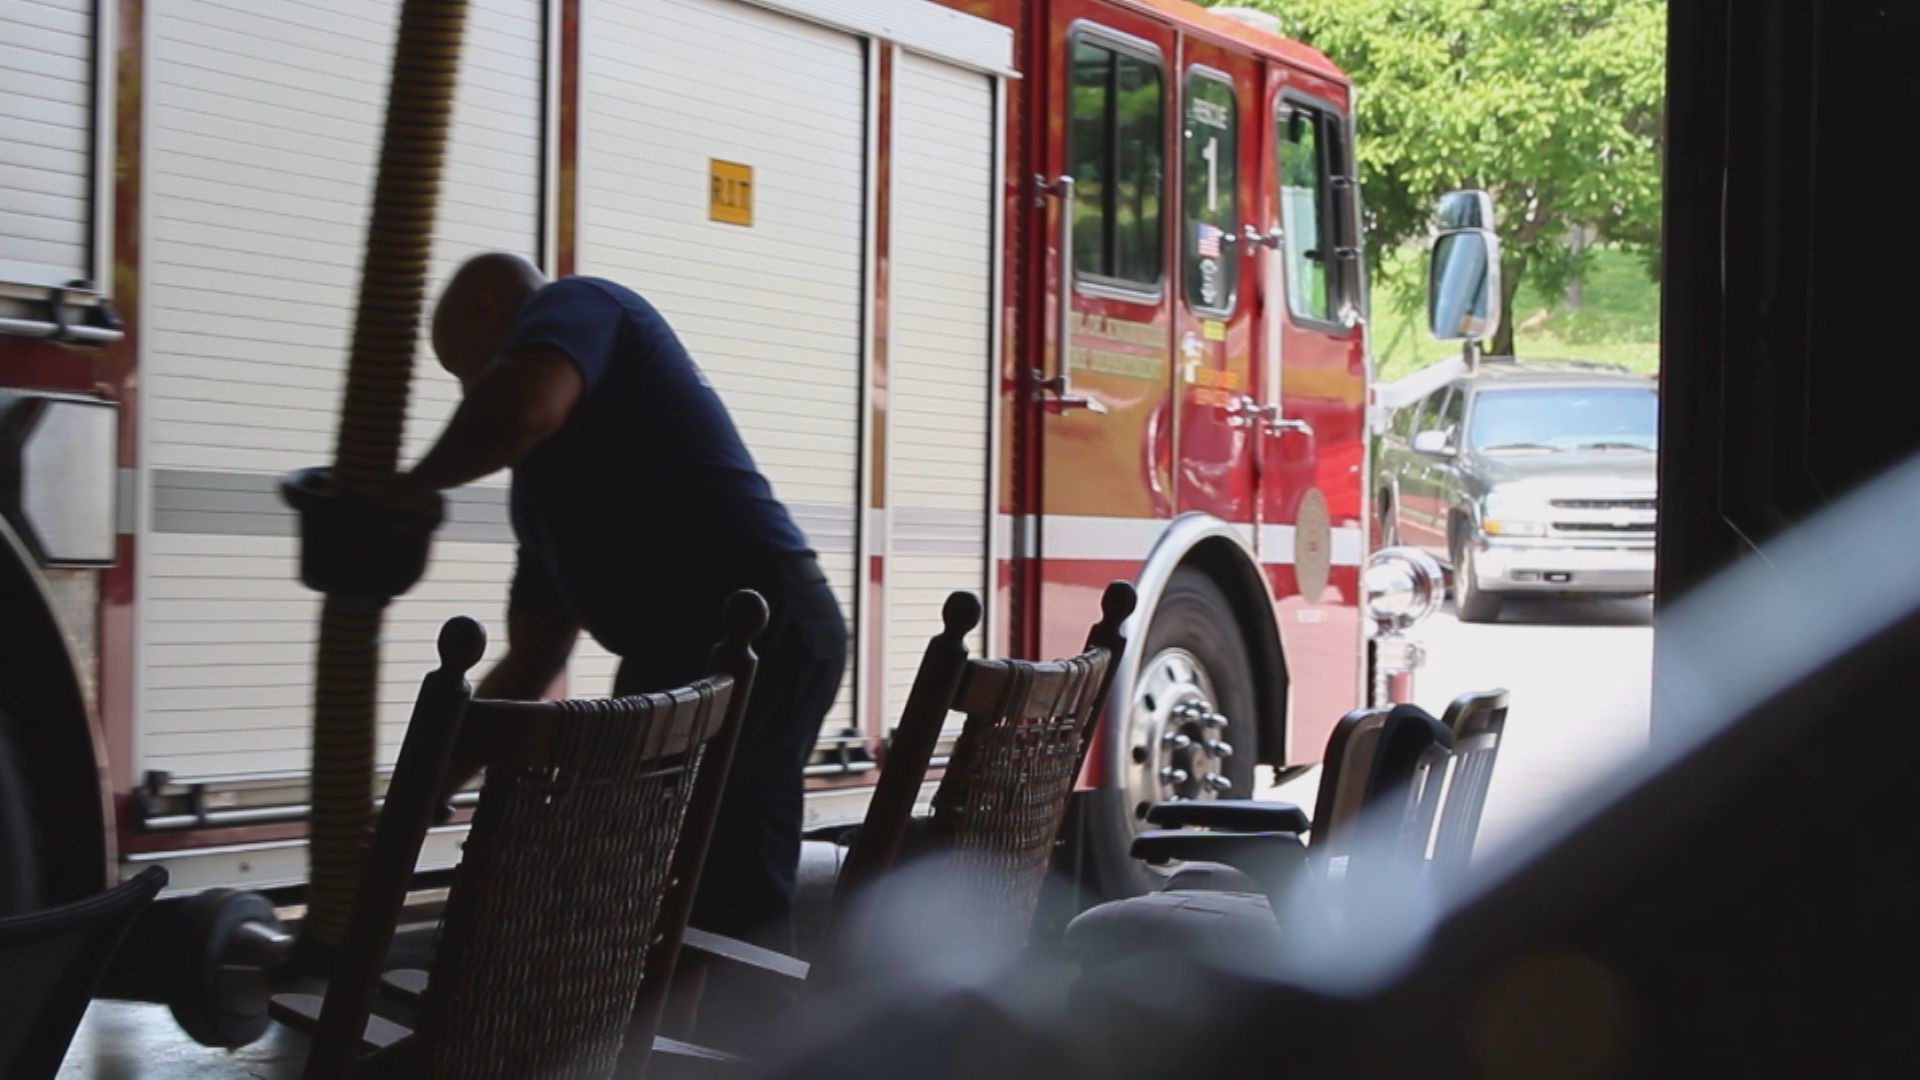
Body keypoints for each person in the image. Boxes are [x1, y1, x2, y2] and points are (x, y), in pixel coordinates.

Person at [397, 252, 847, 952]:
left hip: (766, 633)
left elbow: (521, 406)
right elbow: (532, 659)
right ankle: (643, 1038)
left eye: (462, 369)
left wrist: (407, 489)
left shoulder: (583, 303)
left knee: (728, 887)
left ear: (491, 313)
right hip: (680, 661)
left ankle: (746, 1045)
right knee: (622, 878)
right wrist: (422, 796)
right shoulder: (544, 490)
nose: (465, 396)